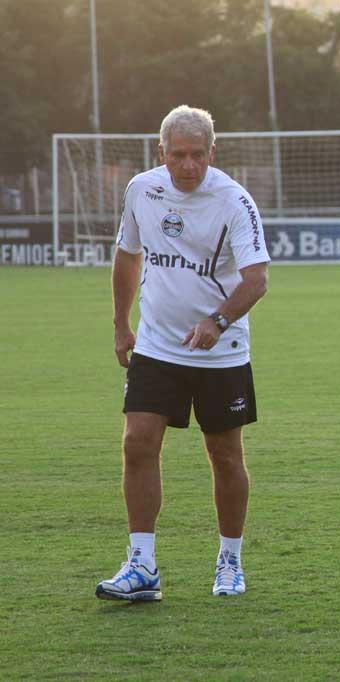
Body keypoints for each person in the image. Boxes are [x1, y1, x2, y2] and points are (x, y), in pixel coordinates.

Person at [96, 105, 270, 601]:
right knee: (137, 443)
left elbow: (257, 280)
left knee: (225, 455)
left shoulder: (235, 201)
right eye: (178, 155)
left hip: (221, 352)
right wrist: (119, 324)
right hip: (156, 346)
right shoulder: (141, 190)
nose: (188, 165)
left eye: (198, 155)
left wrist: (217, 322)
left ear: (212, 153)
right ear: (161, 152)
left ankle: (230, 560)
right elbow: (128, 254)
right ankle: (142, 565)